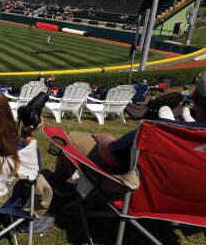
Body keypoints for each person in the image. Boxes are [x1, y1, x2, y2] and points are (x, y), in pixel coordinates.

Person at [46, 73, 206, 197]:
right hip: (194, 202)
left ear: (195, 98)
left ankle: (57, 182)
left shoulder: (162, 130)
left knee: (72, 137)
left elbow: (111, 156)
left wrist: (106, 139)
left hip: (142, 191)